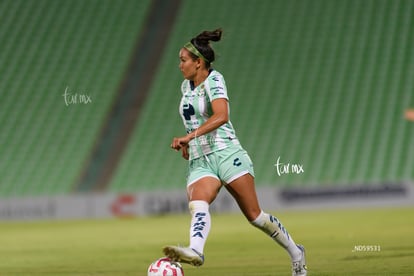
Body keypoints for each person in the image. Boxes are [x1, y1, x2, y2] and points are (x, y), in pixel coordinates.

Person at [163, 28, 307, 276]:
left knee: (255, 216)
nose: (180, 65)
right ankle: (195, 250)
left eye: (183, 60)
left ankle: (296, 253)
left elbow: (221, 115)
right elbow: (195, 121)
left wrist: (188, 137)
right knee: (198, 204)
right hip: (201, 159)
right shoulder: (185, 87)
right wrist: (189, 143)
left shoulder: (215, 80)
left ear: (199, 63)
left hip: (227, 152)